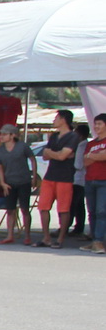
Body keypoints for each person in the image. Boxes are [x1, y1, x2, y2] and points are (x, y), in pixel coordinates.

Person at [36, 109, 78, 248]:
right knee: (43, 207)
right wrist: (57, 154)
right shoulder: (54, 136)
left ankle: (60, 238)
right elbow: (45, 155)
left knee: (63, 209)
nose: (54, 120)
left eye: (56, 118)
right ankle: (46, 237)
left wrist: (53, 153)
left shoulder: (73, 136)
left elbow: (62, 156)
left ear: (63, 119)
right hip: (50, 175)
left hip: (65, 177)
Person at [0, 123, 39, 245]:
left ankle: (27, 235)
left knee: (25, 209)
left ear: (12, 135)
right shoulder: (0, 150)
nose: (1, 136)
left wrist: (34, 176)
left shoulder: (22, 147)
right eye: (1, 134)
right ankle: (10, 235)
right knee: (10, 210)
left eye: (4, 134)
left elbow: (32, 159)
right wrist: (2, 183)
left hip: (24, 181)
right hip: (9, 182)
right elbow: (0, 167)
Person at [81, 113, 106, 254]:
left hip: (104, 181)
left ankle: (99, 241)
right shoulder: (91, 143)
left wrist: (92, 156)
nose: (96, 126)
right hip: (90, 180)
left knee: (101, 211)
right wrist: (97, 156)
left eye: (99, 124)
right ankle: (94, 240)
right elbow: (85, 162)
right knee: (92, 212)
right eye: (95, 124)